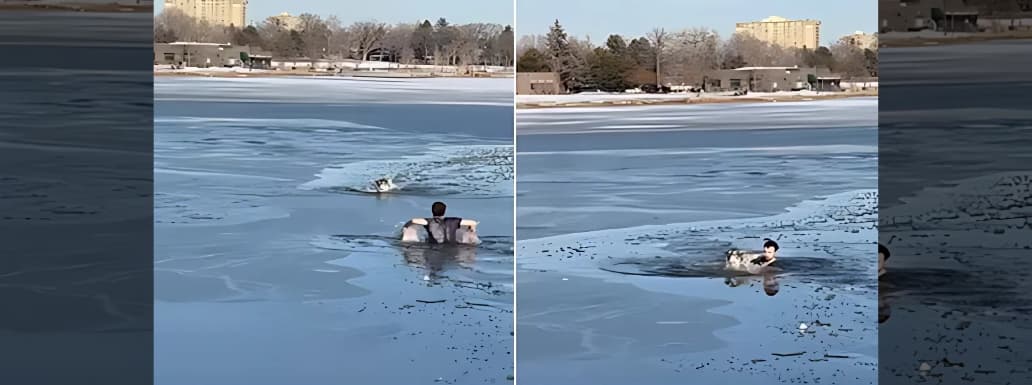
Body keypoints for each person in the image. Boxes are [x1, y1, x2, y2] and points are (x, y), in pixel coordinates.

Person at [402, 201, 479, 244]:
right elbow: (473, 222)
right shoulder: (454, 221)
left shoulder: (428, 222)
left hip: (434, 247)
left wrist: (405, 229)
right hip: (454, 246)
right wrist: (472, 229)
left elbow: (412, 221)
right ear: (445, 211)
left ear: (432, 211)